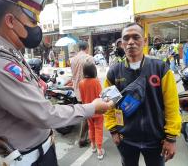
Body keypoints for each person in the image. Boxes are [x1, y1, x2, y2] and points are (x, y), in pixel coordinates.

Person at [0, 0, 113, 166]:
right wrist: (92, 108)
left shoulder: (9, 52)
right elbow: (45, 114)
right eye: (33, 21)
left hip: (40, 153)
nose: (37, 28)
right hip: (24, 161)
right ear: (10, 21)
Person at [104, 23, 181, 166]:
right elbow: (108, 105)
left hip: (156, 140)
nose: (131, 42)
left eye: (136, 37)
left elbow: (172, 105)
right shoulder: (114, 73)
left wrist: (171, 138)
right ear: (121, 43)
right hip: (125, 139)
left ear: (145, 41)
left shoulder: (160, 68)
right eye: (126, 38)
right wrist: (113, 130)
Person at [70, 41, 95, 147]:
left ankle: (87, 137)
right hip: (87, 89)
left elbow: (73, 74)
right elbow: (94, 75)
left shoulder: (73, 59)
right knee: (87, 114)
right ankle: (82, 139)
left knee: (83, 113)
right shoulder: (89, 58)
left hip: (77, 90)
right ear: (87, 48)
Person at [79, 62, 105, 160]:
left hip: (87, 110)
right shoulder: (96, 82)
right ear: (94, 71)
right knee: (98, 129)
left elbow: (82, 98)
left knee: (91, 128)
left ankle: (93, 146)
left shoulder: (81, 83)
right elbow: (101, 96)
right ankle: (99, 150)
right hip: (97, 110)